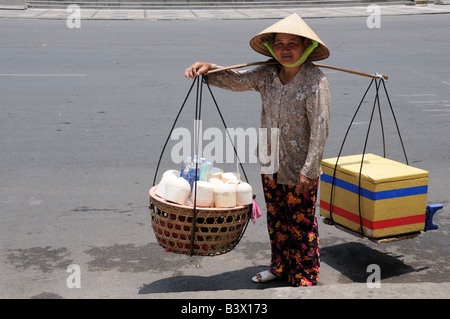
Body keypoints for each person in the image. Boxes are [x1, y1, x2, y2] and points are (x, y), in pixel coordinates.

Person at [184, 13, 330, 287]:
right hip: (270, 162)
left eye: (293, 44)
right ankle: (279, 267)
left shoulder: (316, 82)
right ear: (272, 47)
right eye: (280, 44)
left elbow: (320, 130)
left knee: (301, 224)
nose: (285, 50)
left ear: (306, 47)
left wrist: (309, 170)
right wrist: (208, 67)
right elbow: (236, 80)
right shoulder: (267, 74)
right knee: (277, 221)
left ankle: (304, 275)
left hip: (300, 168)